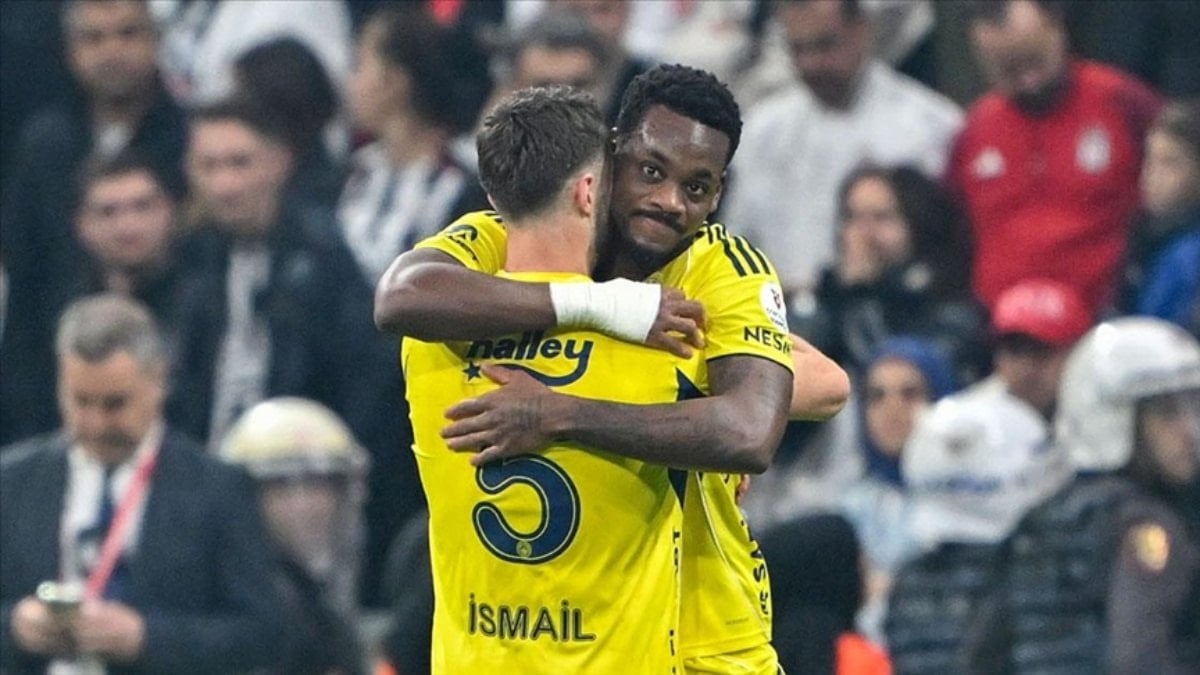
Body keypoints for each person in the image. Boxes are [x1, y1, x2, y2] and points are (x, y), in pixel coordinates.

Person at [377, 64, 849, 674]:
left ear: (719, 194)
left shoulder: (717, 267)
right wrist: (609, 311)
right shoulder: (506, 240)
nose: (669, 202)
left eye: (697, 187)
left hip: (709, 642)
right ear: (609, 158)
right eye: (652, 171)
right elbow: (399, 296)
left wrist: (565, 413)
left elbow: (790, 403)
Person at [404, 85, 689, 672]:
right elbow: (820, 387)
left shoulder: (429, 341)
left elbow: (402, 292)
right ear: (588, 192)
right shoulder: (661, 339)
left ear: (494, 197)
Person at [170, 95, 411, 600]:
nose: (224, 184)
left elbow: (365, 384)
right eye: (209, 166)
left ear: (279, 163)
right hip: (204, 478)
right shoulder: (188, 261)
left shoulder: (326, 258)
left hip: (302, 482)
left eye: (239, 163)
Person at [0, 294, 285, 674]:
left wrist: (147, 638)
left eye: (115, 404)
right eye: (80, 402)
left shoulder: (218, 490)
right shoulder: (12, 482)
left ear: (158, 381)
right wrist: (14, 626)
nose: (96, 424)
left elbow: (264, 636)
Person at [964, 317, 1200, 673]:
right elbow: (1138, 656)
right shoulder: (1146, 525)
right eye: (1167, 413)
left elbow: (980, 655)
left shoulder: (1036, 520)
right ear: (1112, 418)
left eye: (1193, 407)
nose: (1189, 431)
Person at [1, 0, 187, 446]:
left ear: (156, 42)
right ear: (70, 50)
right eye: (94, 38)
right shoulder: (43, 144)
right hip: (49, 377)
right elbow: (25, 281)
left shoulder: (187, 141)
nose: (112, 51)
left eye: (127, 33)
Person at [723, 0, 963, 294]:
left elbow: (946, 249)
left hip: (899, 306)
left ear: (861, 31)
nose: (811, 63)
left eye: (824, 45)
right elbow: (735, 242)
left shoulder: (930, 126)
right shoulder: (761, 132)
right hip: (777, 308)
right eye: (798, 49)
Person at [948, 0, 1162, 314]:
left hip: (1104, 315)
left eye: (1033, 61)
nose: (1027, 80)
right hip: (1000, 323)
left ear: (1057, 27)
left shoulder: (1122, 102)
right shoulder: (975, 131)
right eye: (1008, 68)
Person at [340, 5, 492, 287]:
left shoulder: (464, 184)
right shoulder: (353, 173)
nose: (350, 82)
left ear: (394, 82)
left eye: (358, 65)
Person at [793, 164, 987, 382]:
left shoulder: (949, 302)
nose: (864, 234)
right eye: (853, 217)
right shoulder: (831, 294)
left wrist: (859, 293)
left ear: (915, 224)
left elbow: (890, 377)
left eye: (881, 217)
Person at [221, 397, 369, 675]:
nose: (303, 505)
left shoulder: (329, 617)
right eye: (280, 485)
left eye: (320, 483)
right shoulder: (221, 612)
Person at [839, 336, 959, 644]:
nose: (892, 409)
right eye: (876, 396)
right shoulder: (850, 510)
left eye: (910, 394)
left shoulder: (970, 501)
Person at [1121, 100, 1200, 335]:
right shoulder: (1146, 232)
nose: (1152, 175)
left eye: (1170, 163)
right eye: (1150, 159)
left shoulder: (1189, 254)